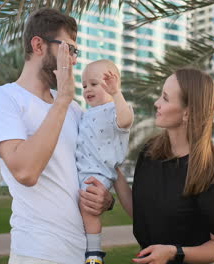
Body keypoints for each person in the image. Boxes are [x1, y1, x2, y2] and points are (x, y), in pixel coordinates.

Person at [0, 8, 113, 264]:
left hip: (82, 252)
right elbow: (26, 172)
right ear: (38, 45)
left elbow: (89, 168)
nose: (73, 60)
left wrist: (105, 199)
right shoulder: (2, 98)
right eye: (68, 50)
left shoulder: (75, 110)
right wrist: (62, 99)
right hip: (37, 253)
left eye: (76, 52)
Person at [114, 68, 214, 264]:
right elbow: (141, 214)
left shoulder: (211, 173)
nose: (156, 103)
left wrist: (174, 252)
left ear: (187, 113)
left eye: (165, 98)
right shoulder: (149, 152)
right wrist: (112, 171)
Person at [76, 60, 134, 263]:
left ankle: (94, 253)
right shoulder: (86, 113)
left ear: (112, 84)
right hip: (84, 168)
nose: (87, 90)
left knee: (88, 208)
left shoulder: (114, 109)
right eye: (84, 86)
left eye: (94, 84)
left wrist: (117, 94)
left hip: (99, 171)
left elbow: (126, 121)